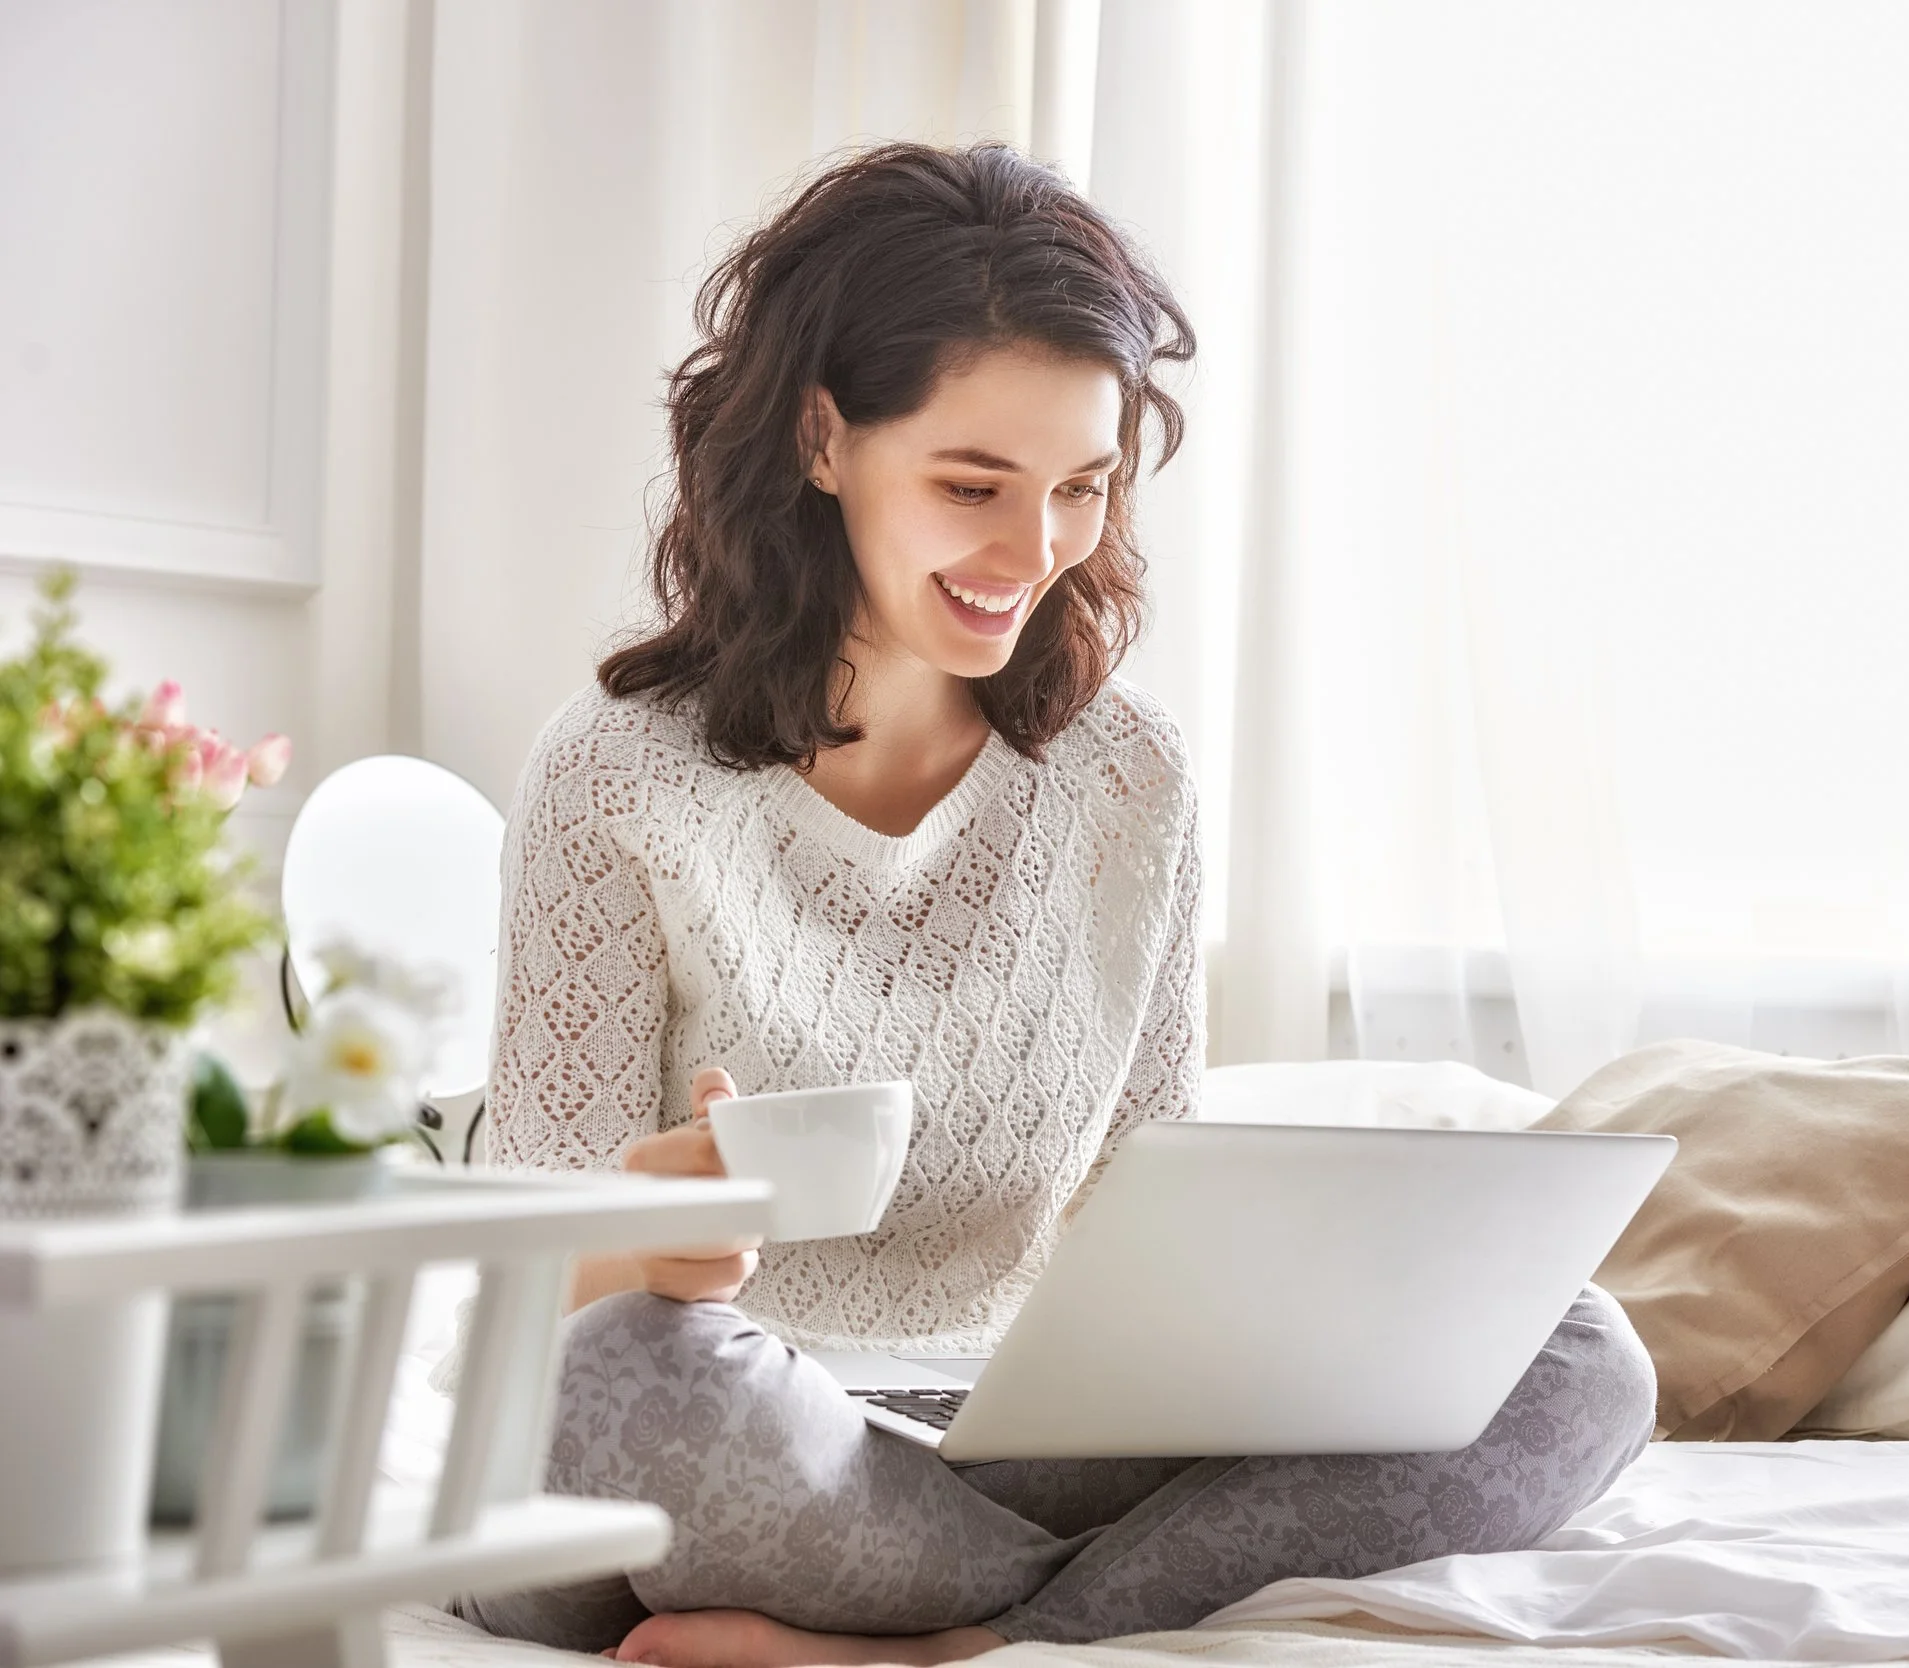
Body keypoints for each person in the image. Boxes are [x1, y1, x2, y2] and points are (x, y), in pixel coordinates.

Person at [454, 141, 1655, 1667]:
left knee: (1579, 1351)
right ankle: (1094, 1603)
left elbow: (1134, 1217)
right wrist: (666, 1242)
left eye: (1081, 490)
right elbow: (535, 1285)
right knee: (628, 1380)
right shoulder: (618, 772)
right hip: (696, 1433)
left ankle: (944, 1649)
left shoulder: (1129, 784)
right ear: (823, 439)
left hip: (997, 1437)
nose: (1034, 555)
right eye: (974, 485)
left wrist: (1294, 1306)